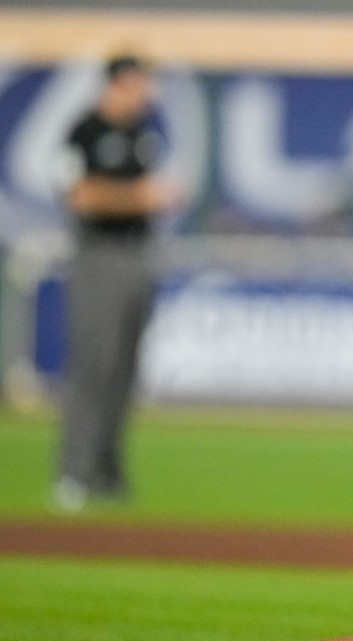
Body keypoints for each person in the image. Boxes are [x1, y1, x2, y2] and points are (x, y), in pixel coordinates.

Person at [53, 54, 176, 512]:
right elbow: (80, 195)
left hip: (139, 253)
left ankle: (107, 471)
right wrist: (140, 197)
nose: (147, 94)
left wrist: (148, 199)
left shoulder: (142, 134)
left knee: (125, 369)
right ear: (117, 85)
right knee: (94, 365)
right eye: (140, 85)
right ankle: (72, 471)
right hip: (97, 257)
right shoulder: (84, 131)